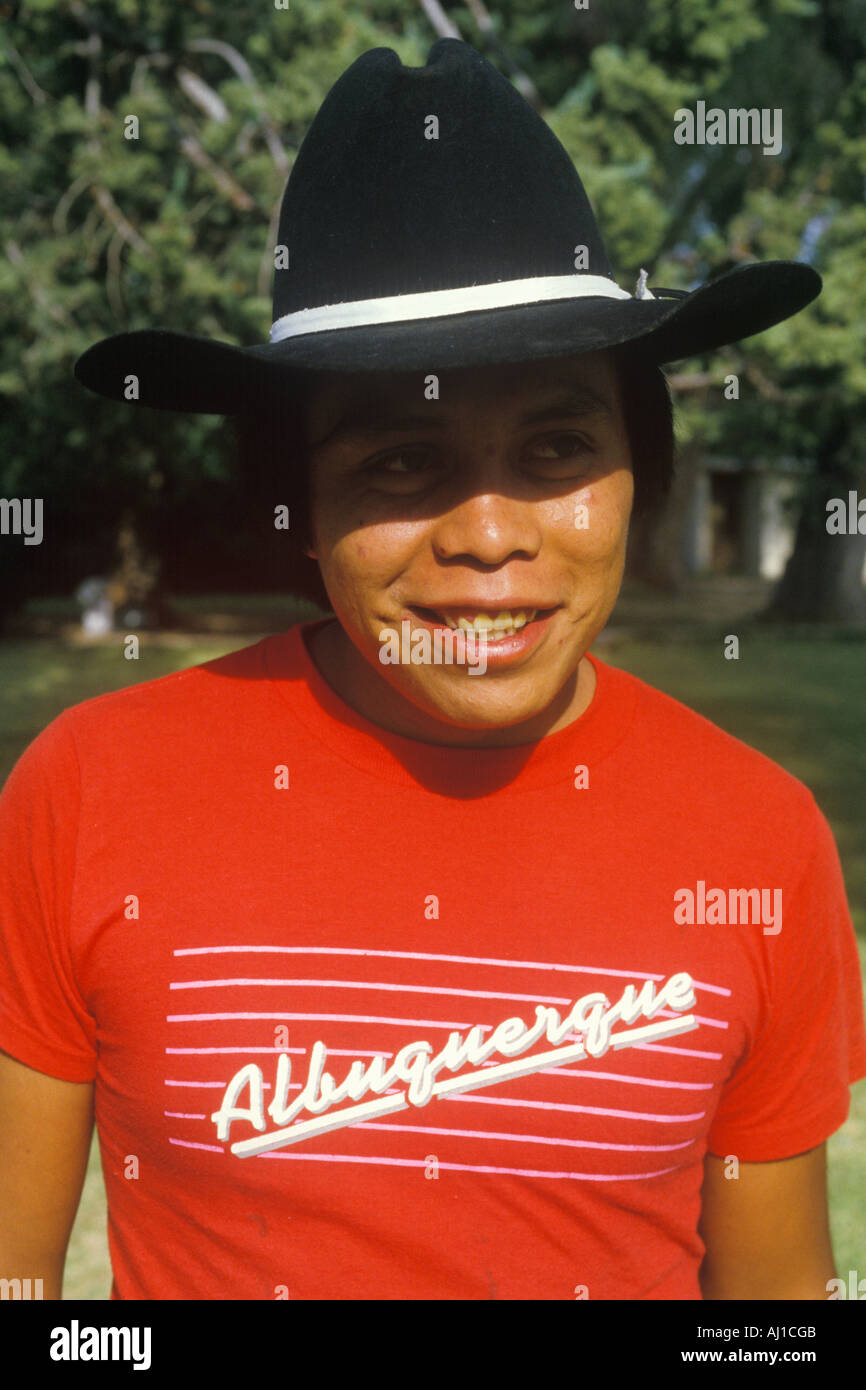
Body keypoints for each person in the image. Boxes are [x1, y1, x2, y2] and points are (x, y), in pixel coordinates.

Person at [1, 39, 864, 1303]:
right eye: (401, 461)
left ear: (641, 467)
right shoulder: (89, 789)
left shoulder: (758, 843)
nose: (487, 534)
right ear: (298, 501)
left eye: (557, 444)